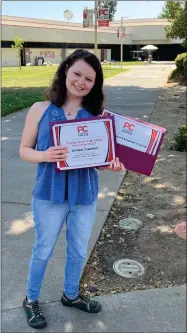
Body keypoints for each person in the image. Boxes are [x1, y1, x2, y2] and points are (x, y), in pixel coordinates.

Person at [20, 49, 125, 329]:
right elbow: (24, 150)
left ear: (95, 84)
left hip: (84, 195)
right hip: (49, 195)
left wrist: (110, 165)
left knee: (78, 251)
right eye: (77, 73)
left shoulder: (97, 117)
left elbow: (99, 160)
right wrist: (45, 155)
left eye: (89, 79)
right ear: (66, 69)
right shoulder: (40, 110)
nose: (81, 82)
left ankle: (71, 294)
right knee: (43, 250)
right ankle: (30, 300)